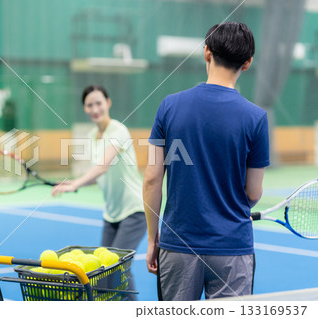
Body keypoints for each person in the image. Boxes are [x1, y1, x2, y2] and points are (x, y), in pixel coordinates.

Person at [143, 22, 270, 300]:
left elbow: (152, 179)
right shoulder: (256, 118)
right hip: (232, 248)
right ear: (247, 63)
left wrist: (154, 239)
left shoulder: (169, 106)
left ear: (206, 52)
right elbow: (253, 193)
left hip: (177, 246)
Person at [52, 85, 146, 300]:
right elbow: (97, 174)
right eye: (89, 104)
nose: (95, 108)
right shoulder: (93, 134)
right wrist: (71, 183)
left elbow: (103, 165)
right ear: (85, 108)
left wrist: (75, 184)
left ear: (108, 103)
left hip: (133, 210)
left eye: (98, 103)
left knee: (117, 268)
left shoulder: (118, 130)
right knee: (103, 270)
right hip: (111, 212)